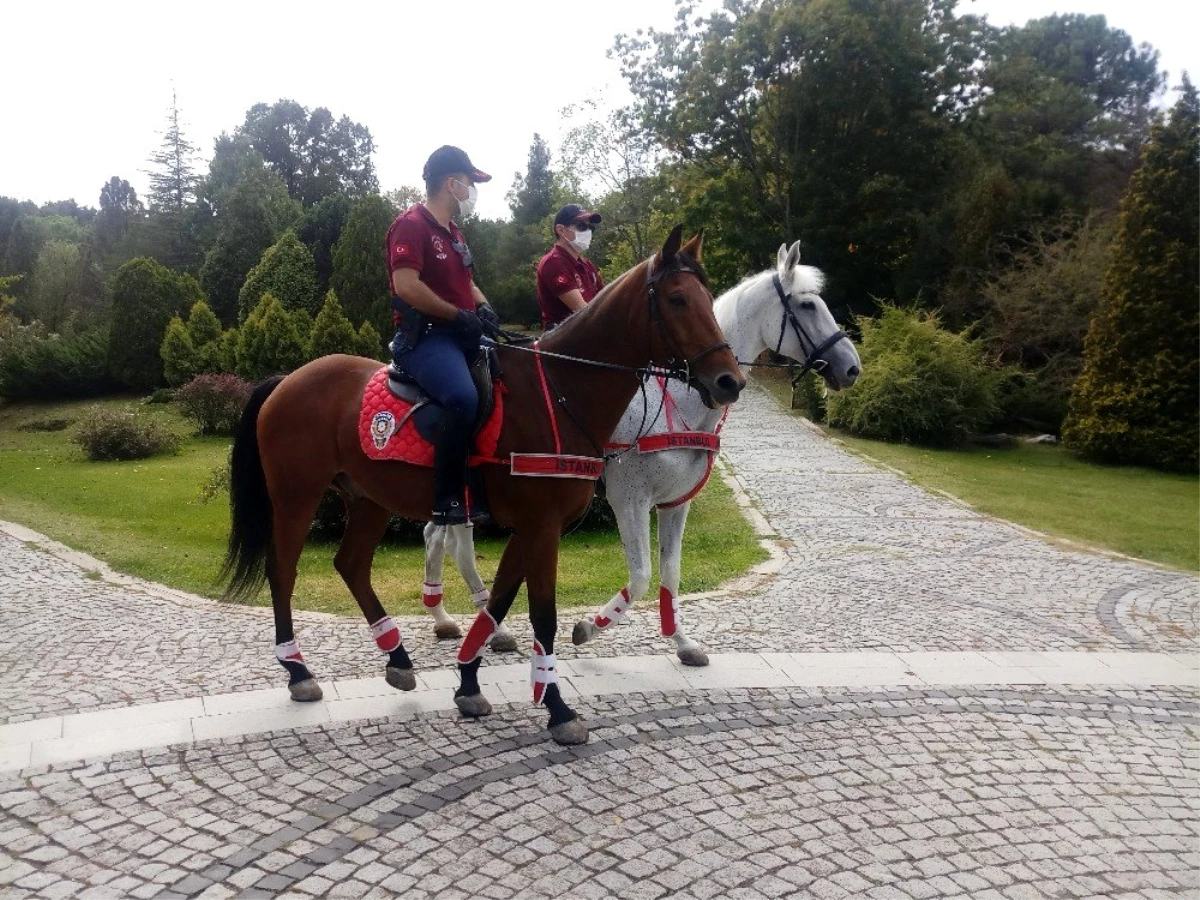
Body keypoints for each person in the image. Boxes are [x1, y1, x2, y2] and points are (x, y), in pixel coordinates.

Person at [386, 145, 501, 526]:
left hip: (460, 335)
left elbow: (467, 282)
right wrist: (457, 315)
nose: (473, 190)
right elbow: (405, 285)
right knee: (462, 398)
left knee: (514, 373)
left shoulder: (455, 233)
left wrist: (483, 308)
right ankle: (447, 499)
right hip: (426, 339)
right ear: (452, 184)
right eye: (470, 182)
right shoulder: (411, 224)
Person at [535, 204, 604, 329]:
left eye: (591, 228)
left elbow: (605, 302)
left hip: (587, 335)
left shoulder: (587, 266)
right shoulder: (552, 263)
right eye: (582, 226)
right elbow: (582, 311)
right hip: (562, 341)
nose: (588, 232)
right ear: (561, 230)